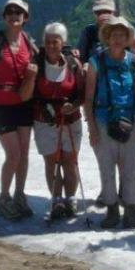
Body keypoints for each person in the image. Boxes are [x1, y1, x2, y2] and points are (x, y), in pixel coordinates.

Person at [84, 16, 135, 229]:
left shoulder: (134, 63)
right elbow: (88, 98)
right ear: (107, 37)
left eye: (122, 35)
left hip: (130, 120)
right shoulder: (95, 62)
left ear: (127, 38)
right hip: (103, 121)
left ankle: (130, 212)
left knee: (131, 168)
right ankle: (112, 211)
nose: (118, 39)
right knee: (107, 168)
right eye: (114, 35)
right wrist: (92, 128)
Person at [0, 0, 38, 221]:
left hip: (23, 103)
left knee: (23, 154)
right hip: (0, 105)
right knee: (14, 154)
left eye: (18, 12)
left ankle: (19, 195)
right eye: (9, 12)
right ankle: (4, 198)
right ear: (4, 17)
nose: (14, 15)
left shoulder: (28, 42)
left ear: (25, 17)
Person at [23, 22, 83, 220]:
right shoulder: (36, 64)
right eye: (48, 41)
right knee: (52, 162)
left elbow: (82, 93)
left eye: (55, 41)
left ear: (62, 43)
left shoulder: (73, 64)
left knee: (69, 161)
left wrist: (73, 105)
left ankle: (70, 199)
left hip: (70, 119)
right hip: (45, 120)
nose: (50, 45)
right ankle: (57, 199)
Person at [76, 0, 135, 68]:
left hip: (121, 70)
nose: (103, 15)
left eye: (107, 12)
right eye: (99, 12)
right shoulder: (89, 31)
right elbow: (81, 56)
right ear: (94, 14)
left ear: (114, 12)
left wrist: (124, 23)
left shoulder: (124, 28)